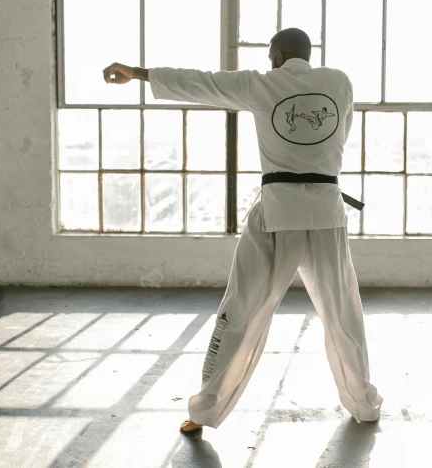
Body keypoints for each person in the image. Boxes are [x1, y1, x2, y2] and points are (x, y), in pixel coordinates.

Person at [103, 28, 382, 433]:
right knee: (344, 316)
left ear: (279, 55)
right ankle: (365, 405)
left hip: (277, 211)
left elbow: (201, 82)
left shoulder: (261, 84)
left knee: (240, 312)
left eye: (272, 57)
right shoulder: (339, 82)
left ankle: (203, 412)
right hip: (326, 211)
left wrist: (138, 73)